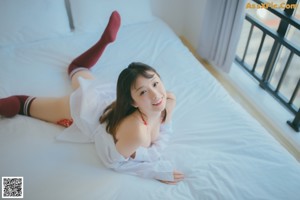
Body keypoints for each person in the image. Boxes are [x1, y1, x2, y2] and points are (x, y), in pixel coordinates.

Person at [0, 11, 184, 184]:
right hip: (85, 108)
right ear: (133, 101)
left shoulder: (168, 100)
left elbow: (163, 131)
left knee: (77, 68)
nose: (156, 95)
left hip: (107, 97)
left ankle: (104, 42)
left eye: (155, 83)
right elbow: (113, 162)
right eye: (143, 92)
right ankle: (103, 43)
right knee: (21, 103)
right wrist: (156, 171)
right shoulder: (137, 132)